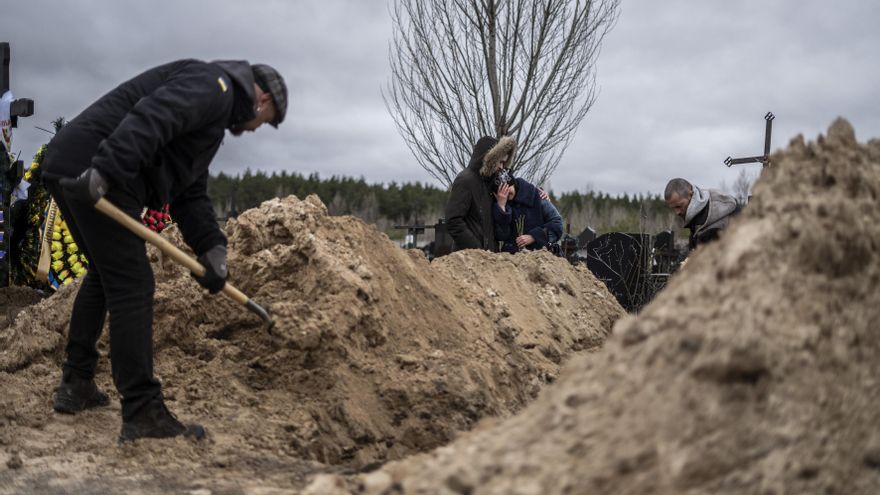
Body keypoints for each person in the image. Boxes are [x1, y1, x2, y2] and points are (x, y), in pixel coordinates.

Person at [40, 59, 288, 442]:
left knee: (106, 276)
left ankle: (77, 383)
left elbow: (190, 193)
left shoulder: (211, 120)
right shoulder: (213, 84)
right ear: (264, 100)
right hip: (95, 169)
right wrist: (106, 170)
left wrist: (212, 249)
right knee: (133, 283)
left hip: (73, 163)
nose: (257, 129)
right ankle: (143, 411)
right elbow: (154, 115)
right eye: (267, 122)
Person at [445, 135, 516, 252]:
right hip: (469, 258)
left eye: (504, 163)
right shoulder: (465, 180)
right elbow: (453, 221)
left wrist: (502, 205)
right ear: (490, 159)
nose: (501, 167)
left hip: (489, 258)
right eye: (500, 162)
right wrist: (477, 250)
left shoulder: (489, 183)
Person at [492, 171, 563, 254]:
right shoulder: (501, 203)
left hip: (539, 256)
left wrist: (534, 237)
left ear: (513, 183)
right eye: (502, 191)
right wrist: (501, 207)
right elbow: (502, 236)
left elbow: (557, 224)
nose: (506, 194)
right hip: (511, 259)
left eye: (506, 188)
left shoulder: (537, 197)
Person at [664, 178, 742, 250]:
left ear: (690, 195)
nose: (677, 212)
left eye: (679, 206)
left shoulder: (716, 215)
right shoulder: (695, 218)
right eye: (673, 208)